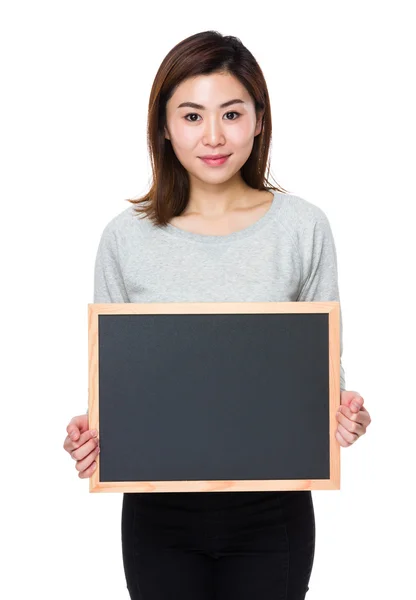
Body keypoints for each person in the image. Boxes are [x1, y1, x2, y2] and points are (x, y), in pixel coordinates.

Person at [63, 30, 371, 600]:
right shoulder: (125, 239)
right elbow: (118, 386)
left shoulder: (303, 228)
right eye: (191, 114)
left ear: (259, 119)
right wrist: (91, 435)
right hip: (159, 518)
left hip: (272, 514)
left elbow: (323, 373)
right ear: (163, 124)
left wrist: (346, 414)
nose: (212, 135)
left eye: (231, 113)